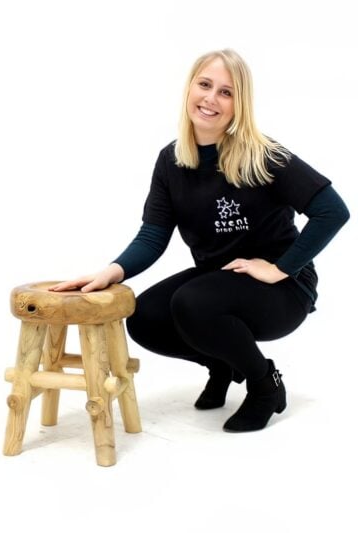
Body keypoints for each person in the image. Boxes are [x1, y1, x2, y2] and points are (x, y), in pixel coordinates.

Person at [49, 49, 349, 432]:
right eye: (205, 85)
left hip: (283, 291)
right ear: (189, 88)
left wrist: (280, 269)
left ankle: (264, 385)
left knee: (192, 302)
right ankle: (221, 363)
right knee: (145, 317)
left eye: (226, 92)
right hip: (217, 282)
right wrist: (111, 271)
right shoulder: (172, 160)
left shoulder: (264, 155)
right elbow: (154, 234)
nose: (211, 99)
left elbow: (332, 211)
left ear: (240, 103)